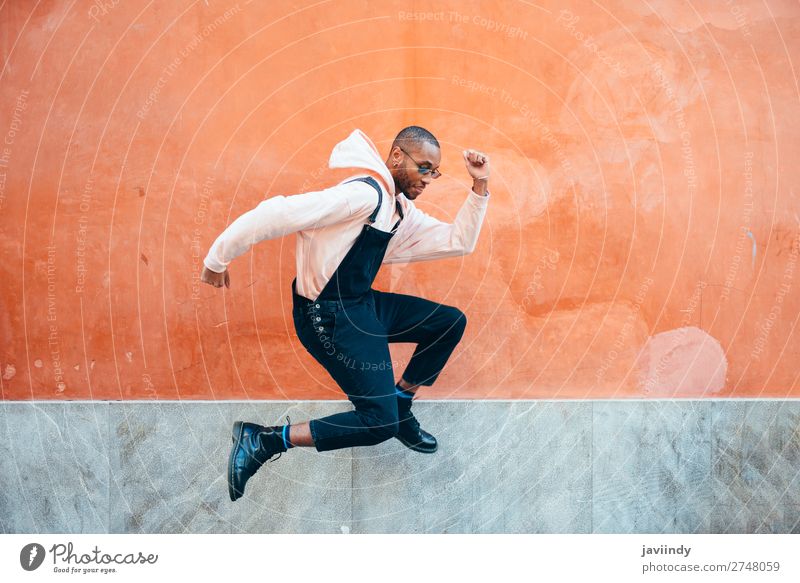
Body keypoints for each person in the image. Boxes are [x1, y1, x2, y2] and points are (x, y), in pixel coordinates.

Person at [200, 126, 490, 501]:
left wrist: (480, 186)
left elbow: (458, 241)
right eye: (424, 168)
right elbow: (278, 212)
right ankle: (265, 440)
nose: (428, 179)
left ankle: (401, 404)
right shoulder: (360, 195)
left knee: (448, 322)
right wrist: (217, 257)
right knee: (377, 422)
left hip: (360, 305)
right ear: (397, 156)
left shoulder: (399, 208)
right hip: (328, 318)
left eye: (434, 172)